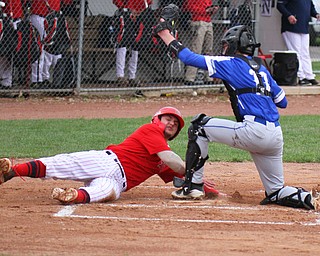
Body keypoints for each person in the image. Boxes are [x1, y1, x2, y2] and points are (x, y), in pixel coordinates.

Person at [153, 10, 320, 210]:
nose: (224, 49)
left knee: (199, 127)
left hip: (254, 131)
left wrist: (165, 34)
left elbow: (189, 58)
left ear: (235, 45)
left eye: (226, 45)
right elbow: (282, 102)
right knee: (275, 191)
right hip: (275, 136)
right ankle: (308, 199)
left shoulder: (230, 63)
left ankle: (192, 186)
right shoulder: (262, 69)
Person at [0, 106, 219, 204]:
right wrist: (192, 170)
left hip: (118, 180)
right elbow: (174, 162)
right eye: (168, 118)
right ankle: (11, 172)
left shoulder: (162, 156)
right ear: (156, 120)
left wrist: (206, 188)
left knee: (107, 192)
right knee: (62, 164)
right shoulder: (151, 130)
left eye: (175, 123)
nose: (171, 123)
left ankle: (71, 196)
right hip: (108, 161)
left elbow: (182, 178)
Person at [277, 0, 320, 86]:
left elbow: (311, 8)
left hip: (304, 27)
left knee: (305, 52)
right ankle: (301, 77)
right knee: (296, 52)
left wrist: (316, 14)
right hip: (291, 27)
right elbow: (280, 5)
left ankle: (309, 76)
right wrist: (289, 15)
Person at [113, 0, 152, 87]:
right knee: (122, 44)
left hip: (141, 16)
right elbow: (116, 1)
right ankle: (120, 76)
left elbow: (148, 2)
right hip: (126, 14)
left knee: (136, 46)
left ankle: (132, 77)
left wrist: (141, 11)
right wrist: (127, 8)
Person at [182, 0, 219, 86]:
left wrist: (212, 10)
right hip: (198, 21)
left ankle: (209, 77)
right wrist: (204, 10)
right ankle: (190, 77)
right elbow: (189, 8)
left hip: (208, 21)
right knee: (196, 50)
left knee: (208, 51)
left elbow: (209, 7)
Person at [29, 0, 62, 87]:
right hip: (39, 17)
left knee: (49, 48)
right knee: (39, 49)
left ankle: (45, 78)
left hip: (52, 18)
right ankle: (36, 80)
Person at [0, 0, 23, 89]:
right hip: (4, 21)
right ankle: (4, 79)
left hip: (16, 21)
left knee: (10, 51)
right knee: (3, 51)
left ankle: (7, 81)